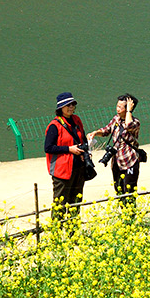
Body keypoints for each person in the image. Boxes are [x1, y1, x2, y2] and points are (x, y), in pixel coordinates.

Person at [44, 91, 89, 222]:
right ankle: (56, 236)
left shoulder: (76, 120)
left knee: (75, 202)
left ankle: (72, 234)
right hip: (62, 172)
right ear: (60, 108)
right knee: (60, 205)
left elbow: (83, 139)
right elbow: (48, 147)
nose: (71, 107)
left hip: (78, 168)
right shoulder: (54, 125)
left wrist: (84, 150)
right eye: (67, 105)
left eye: (73, 104)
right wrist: (69, 149)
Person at [92, 93, 142, 207]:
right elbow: (106, 130)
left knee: (129, 191)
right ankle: (124, 215)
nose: (117, 109)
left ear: (128, 108)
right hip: (117, 162)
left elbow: (129, 125)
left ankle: (130, 216)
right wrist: (95, 133)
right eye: (117, 106)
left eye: (120, 107)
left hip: (130, 161)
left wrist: (129, 111)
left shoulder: (135, 123)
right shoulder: (116, 119)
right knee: (119, 190)